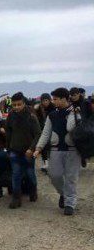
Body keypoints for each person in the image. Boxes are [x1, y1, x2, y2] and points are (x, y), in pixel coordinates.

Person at [34, 87, 81, 216]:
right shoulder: (52, 115)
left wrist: (72, 113)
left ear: (64, 99)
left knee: (71, 177)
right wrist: (38, 148)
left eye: (55, 99)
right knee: (54, 175)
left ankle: (70, 203)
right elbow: (45, 133)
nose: (53, 101)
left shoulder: (76, 112)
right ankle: (63, 194)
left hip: (73, 149)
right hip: (55, 149)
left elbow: (70, 127)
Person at [5, 92, 41, 209]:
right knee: (16, 174)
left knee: (30, 174)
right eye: (14, 105)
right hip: (14, 150)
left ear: (23, 103)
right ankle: (16, 198)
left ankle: (33, 190)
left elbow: (38, 134)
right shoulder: (11, 115)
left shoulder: (31, 117)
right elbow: (8, 132)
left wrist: (32, 148)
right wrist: (8, 148)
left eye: (19, 104)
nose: (16, 107)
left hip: (28, 152)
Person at [34, 93, 54, 172]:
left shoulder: (54, 108)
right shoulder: (39, 108)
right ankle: (45, 162)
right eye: (43, 101)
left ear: (49, 100)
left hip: (53, 129)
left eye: (46, 100)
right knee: (44, 145)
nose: (45, 102)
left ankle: (50, 162)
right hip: (43, 129)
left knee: (51, 146)